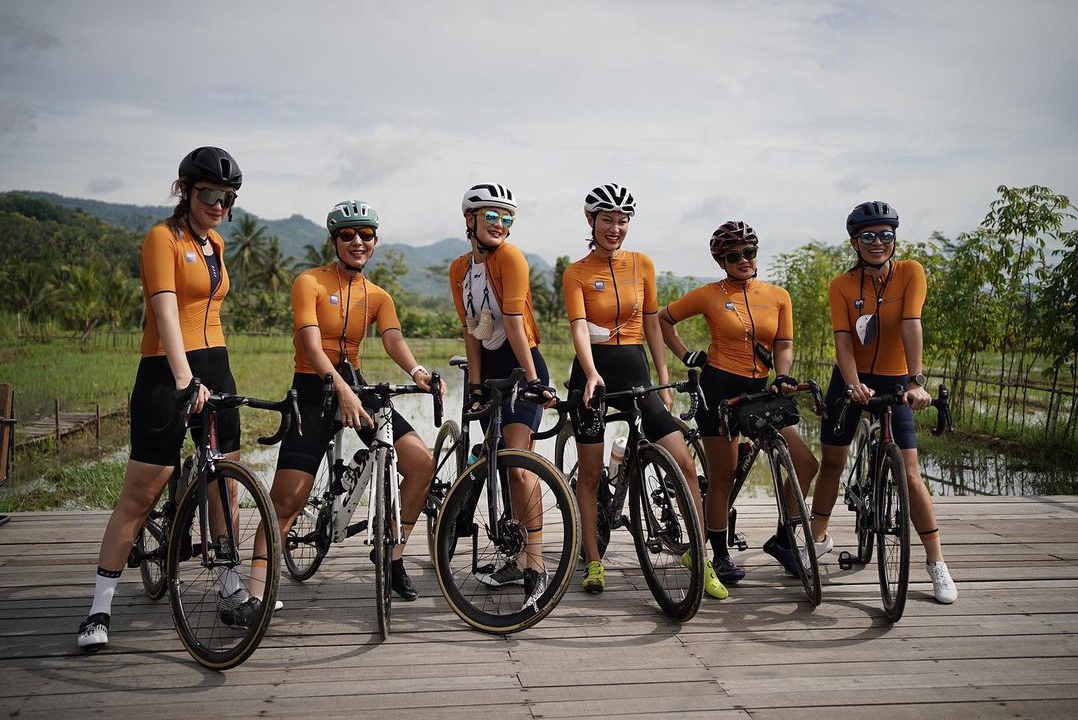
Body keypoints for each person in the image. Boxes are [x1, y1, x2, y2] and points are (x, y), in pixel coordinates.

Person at [77, 147, 245, 651]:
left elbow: (207, 312)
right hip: (166, 371)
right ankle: (99, 607)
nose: (218, 203)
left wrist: (210, 378)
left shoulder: (215, 242)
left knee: (224, 485)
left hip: (216, 365)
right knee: (142, 492)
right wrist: (183, 379)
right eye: (208, 194)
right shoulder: (161, 238)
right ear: (185, 190)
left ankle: (229, 585)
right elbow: (166, 312)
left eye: (227, 196)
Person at [256, 200, 438, 603]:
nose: (358, 242)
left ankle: (391, 555)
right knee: (287, 499)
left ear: (375, 241)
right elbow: (310, 342)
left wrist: (418, 372)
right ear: (334, 240)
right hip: (312, 387)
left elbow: (393, 339)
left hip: (356, 385)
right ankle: (255, 593)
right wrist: (339, 388)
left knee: (421, 464)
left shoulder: (377, 295)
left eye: (366, 235)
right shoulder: (310, 282)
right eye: (347, 235)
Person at [562, 183, 726, 599]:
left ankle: (700, 557)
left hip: (635, 373)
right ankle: (594, 559)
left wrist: (663, 379)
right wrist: (591, 371)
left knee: (685, 463)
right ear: (590, 222)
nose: (615, 228)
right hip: (592, 379)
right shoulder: (576, 272)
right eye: (607, 220)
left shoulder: (642, 264)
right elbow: (579, 326)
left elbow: (652, 323)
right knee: (592, 472)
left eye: (622, 221)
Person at [811, 200, 957, 603]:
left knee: (910, 473)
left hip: (896, 380)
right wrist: (854, 384)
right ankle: (816, 539)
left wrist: (916, 380)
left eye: (886, 235)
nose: (878, 243)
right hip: (851, 378)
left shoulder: (911, 273)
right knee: (833, 462)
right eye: (868, 236)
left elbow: (911, 323)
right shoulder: (841, 285)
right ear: (855, 242)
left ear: (895, 238)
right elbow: (843, 341)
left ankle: (936, 564)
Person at [660, 221, 821, 583]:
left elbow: (784, 343)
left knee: (806, 463)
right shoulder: (708, 294)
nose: (744, 260)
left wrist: (782, 374)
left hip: (762, 390)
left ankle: (783, 540)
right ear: (721, 261)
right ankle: (718, 556)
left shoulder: (778, 295)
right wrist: (687, 356)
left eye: (749, 253)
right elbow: (662, 320)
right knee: (724, 476)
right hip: (719, 392)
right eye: (734, 256)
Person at [448, 182, 555, 608]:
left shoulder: (511, 257)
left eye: (507, 217)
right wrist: (474, 387)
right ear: (469, 220)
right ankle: (512, 557)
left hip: (522, 364)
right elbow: (471, 331)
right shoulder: (459, 269)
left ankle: (536, 562)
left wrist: (531, 380)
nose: (500, 224)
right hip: (490, 370)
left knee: (517, 466)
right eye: (490, 215)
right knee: (492, 458)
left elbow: (513, 322)